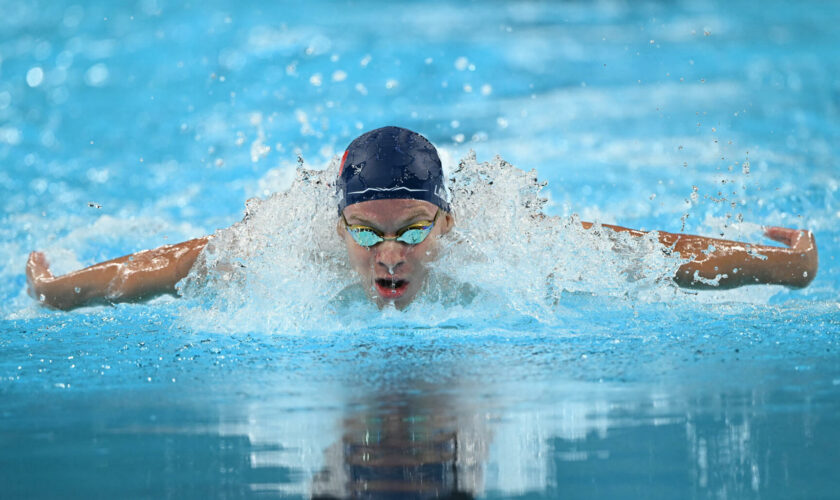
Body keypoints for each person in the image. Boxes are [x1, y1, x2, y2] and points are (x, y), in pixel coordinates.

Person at [25, 126, 819, 311]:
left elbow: (642, 254)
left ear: (448, 223)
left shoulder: (503, 244)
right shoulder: (291, 248)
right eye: (365, 232)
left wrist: (787, 268)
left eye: (412, 231)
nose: (387, 254)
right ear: (337, 226)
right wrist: (61, 291)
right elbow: (177, 263)